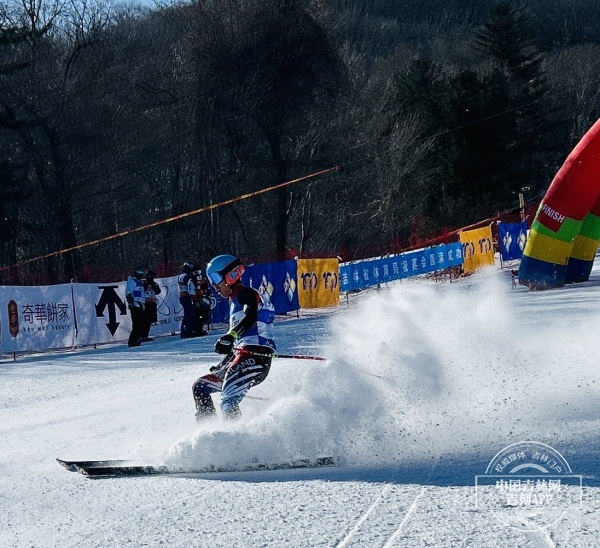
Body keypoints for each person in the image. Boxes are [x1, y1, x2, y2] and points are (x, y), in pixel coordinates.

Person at [192, 254, 276, 421]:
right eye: (210, 279)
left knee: (228, 402)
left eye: (215, 277)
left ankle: (236, 442)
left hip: (256, 357)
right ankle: (208, 431)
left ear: (231, 275)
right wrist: (222, 365)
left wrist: (231, 335)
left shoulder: (246, 293)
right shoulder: (235, 301)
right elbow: (239, 343)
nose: (214, 285)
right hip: (243, 356)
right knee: (200, 387)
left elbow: (251, 316)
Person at [125, 266, 146, 347]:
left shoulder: (139, 281)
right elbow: (128, 292)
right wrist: (131, 302)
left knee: (141, 323)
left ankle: (137, 339)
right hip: (135, 304)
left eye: (142, 273)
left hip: (141, 304)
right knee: (136, 324)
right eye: (140, 272)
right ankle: (132, 341)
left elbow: (142, 293)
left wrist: (143, 303)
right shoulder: (131, 281)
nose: (141, 274)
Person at [178, 261, 197, 338]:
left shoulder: (181, 275)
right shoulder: (187, 276)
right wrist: (194, 298)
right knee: (189, 315)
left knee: (187, 314)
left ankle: (185, 332)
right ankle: (187, 332)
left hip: (182, 296)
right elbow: (190, 288)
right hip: (186, 296)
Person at [142, 269, 161, 342]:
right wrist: (147, 283)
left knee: (149, 320)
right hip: (145, 303)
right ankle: (142, 335)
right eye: (150, 275)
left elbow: (158, 291)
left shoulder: (154, 283)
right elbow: (142, 289)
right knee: (145, 320)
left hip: (152, 302)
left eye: (152, 276)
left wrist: (152, 283)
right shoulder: (143, 282)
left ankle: (145, 335)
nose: (151, 277)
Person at [192, 268, 211, 336]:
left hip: (204, 300)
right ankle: (197, 330)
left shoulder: (203, 280)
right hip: (198, 300)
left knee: (204, 315)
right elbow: (193, 291)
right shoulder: (193, 280)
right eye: (196, 272)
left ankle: (200, 329)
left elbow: (207, 289)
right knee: (198, 316)